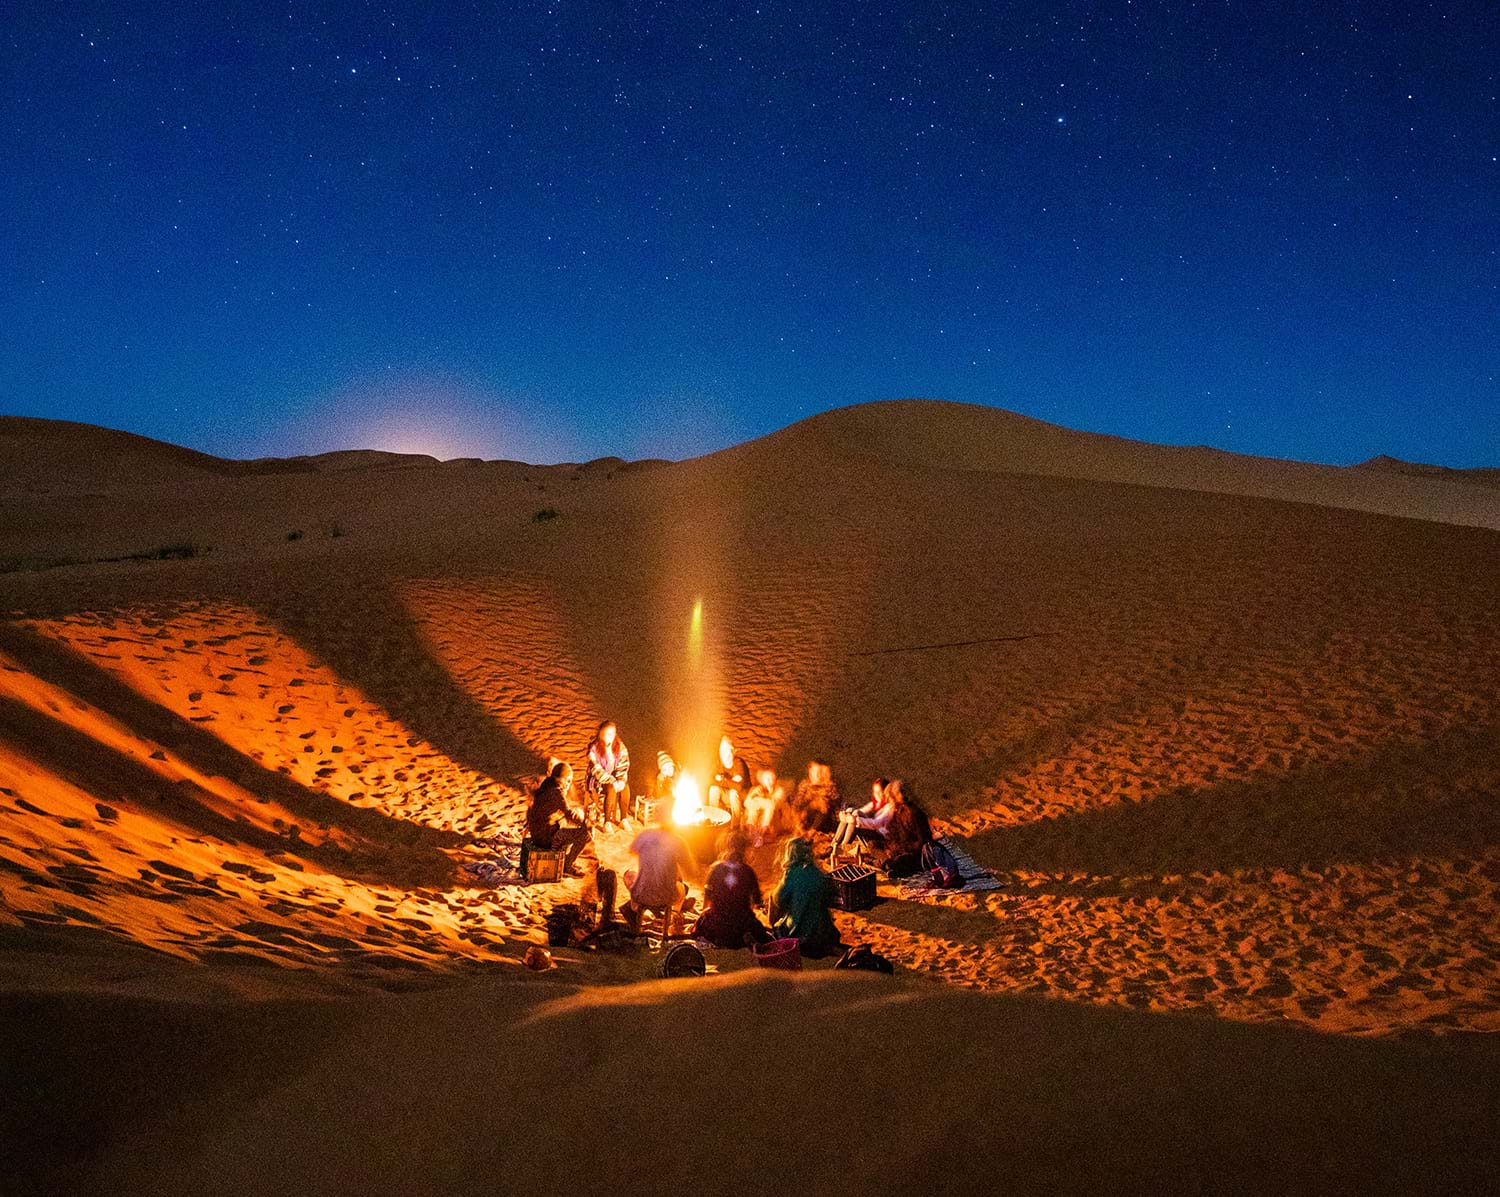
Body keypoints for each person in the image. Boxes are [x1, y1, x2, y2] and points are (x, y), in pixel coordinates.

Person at [623, 801, 694, 932]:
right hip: (665, 896)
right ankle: (674, 914)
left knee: (629, 874)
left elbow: (632, 850)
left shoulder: (645, 836)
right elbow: (691, 871)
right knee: (682, 886)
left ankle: (636, 909)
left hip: (641, 894)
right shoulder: (678, 841)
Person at [693, 832, 771, 948]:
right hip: (741, 924)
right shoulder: (748, 871)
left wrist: (706, 913)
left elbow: (707, 898)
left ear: (727, 848)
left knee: (701, 924)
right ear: (745, 850)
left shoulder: (716, 869)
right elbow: (757, 901)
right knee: (761, 932)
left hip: (718, 924)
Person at [769, 837, 842, 959]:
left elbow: (779, 900)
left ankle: (772, 930)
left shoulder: (791, 874)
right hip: (825, 933)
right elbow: (832, 895)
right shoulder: (818, 873)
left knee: (773, 897)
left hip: (799, 937)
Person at [526, 761, 591, 876]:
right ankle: (568, 865)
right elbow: (569, 813)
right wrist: (586, 823)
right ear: (565, 779)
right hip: (546, 838)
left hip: (537, 834)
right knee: (584, 835)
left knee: (565, 825)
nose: (569, 784)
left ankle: (564, 858)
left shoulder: (547, 784)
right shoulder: (556, 792)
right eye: (569, 780)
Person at [870, 779, 933, 878]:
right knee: (873, 844)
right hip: (901, 847)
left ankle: (886, 864)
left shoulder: (915, 813)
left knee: (899, 860)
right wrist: (892, 845)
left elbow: (923, 842)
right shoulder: (899, 811)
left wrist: (902, 848)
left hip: (915, 853)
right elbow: (896, 834)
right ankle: (885, 862)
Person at [829, 777, 892, 864]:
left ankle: (842, 848)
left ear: (885, 792)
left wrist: (854, 820)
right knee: (852, 811)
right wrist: (846, 813)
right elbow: (861, 811)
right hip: (874, 830)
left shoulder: (889, 807)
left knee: (854, 823)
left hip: (881, 835)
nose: (876, 794)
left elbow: (876, 824)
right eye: (875, 792)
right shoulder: (876, 803)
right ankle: (833, 844)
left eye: (879, 792)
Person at [584, 720, 631, 829]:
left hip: (613, 777)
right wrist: (612, 781)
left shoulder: (619, 746)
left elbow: (624, 763)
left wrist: (621, 780)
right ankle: (607, 822)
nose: (611, 736)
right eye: (608, 734)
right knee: (611, 789)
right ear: (601, 734)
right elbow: (596, 769)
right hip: (597, 779)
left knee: (625, 788)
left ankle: (623, 819)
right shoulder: (594, 748)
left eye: (613, 733)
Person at [789, 759, 841, 834]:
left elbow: (835, 806)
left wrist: (822, 802)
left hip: (825, 822)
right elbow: (796, 804)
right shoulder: (805, 785)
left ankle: (812, 832)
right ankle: (805, 831)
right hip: (806, 819)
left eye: (820, 772)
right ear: (810, 772)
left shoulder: (830, 786)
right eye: (814, 771)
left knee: (823, 805)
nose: (817, 775)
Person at [708, 736, 751, 824]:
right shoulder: (719, 763)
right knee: (714, 789)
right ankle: (714, 820)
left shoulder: (739, 763)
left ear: (732, 753)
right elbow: (710, 780)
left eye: (728, 754)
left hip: (743, 796)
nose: (726, 757)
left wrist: (723, 779)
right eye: (723, 754)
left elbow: (739, 787)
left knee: (733, 792)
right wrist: (730, 781)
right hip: (728, 795)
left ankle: (735, 825)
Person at [742, 767, 785, 841]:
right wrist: (754, 799)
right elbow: (746, 803)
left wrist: (758, 800)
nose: (768, 781)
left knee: (769, 805)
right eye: (766, 778)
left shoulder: (779, 790)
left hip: (771, 822)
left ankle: (762, 832)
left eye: (770, 778)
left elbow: (774, 804)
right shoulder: (758, 789)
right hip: (756, 821)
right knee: (752, 809)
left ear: (774, 780)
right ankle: (752, 832)